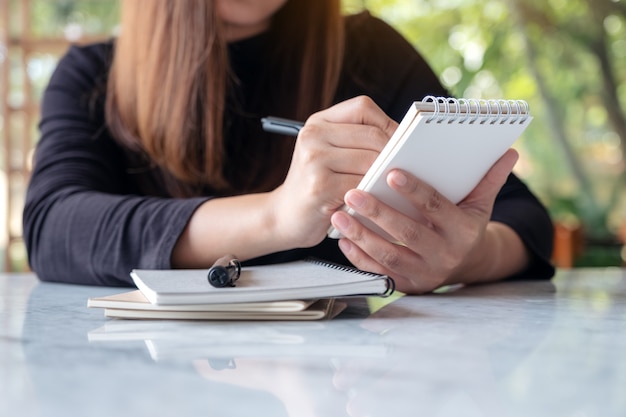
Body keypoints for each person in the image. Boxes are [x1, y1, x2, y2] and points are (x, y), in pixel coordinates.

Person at [23, 0, 555, 293]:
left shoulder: (372, 52)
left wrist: (462, 257)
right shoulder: (93, 77)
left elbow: (521, 217)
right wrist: (275, 217)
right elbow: (55, 229)